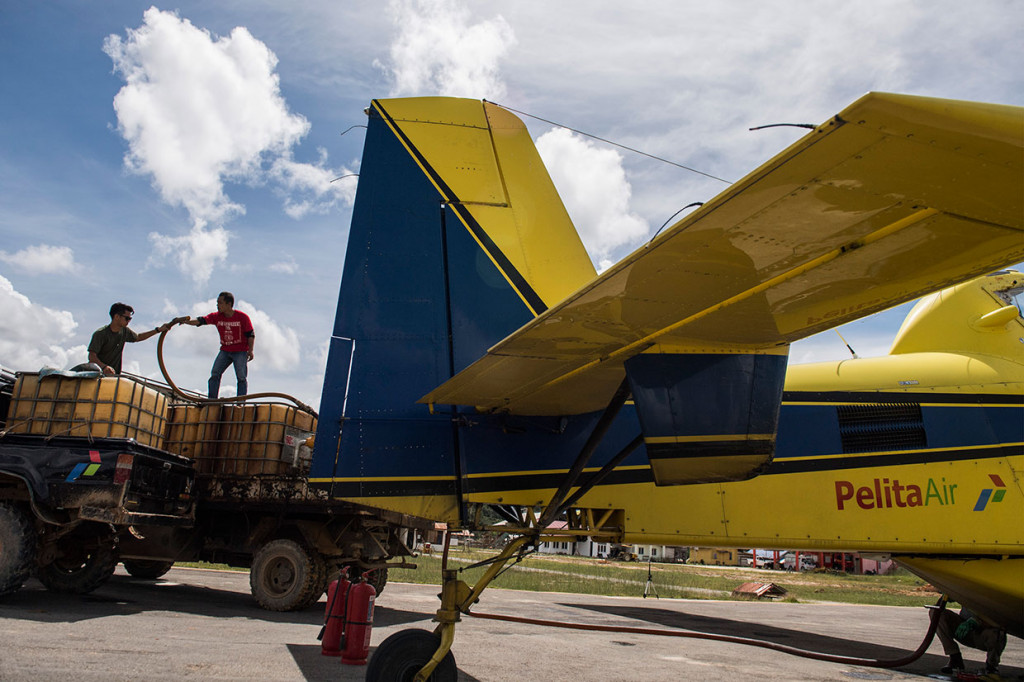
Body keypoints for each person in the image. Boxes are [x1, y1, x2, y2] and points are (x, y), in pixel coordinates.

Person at [183, 291, 255, 399]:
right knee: (215, 373)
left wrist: (250, 350)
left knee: (241, 377)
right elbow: (201, 321)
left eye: (220, 303)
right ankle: (212, 400)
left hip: (240, 351)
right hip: (225, 350)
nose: (218, 305)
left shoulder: (242, 317)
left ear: (229, 304)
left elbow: (250, 334)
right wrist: (186, 321)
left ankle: (240, 403)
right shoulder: (217, 316)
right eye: (217, 303)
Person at [87, 303, 170, 375]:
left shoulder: (125, 331)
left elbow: (138, 337)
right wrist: (104, 367)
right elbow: (92, 357)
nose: (129, 321)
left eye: (130, 319)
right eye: (127, 318)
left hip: (113, 377)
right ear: (116, 317)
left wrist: (158, 330)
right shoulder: (101, 334)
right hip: (97, 376)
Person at [935, 605, 1007, 675]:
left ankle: (991, 667)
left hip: (983, 634)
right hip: (963, 630)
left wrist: (979, 621)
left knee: (997, 633)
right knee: (936, 613)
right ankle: (955, 658)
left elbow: (1002, 621)